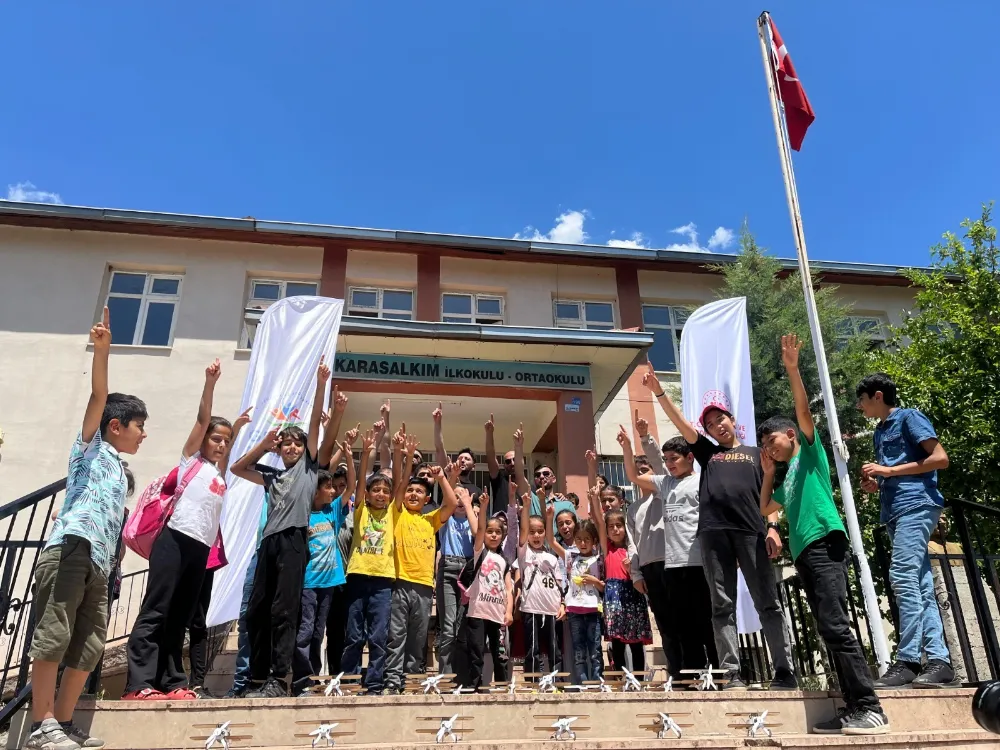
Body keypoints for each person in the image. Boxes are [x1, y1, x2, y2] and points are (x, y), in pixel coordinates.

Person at [27, 307, 147, 750]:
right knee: (54, 632)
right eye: (139, 427)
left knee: (89, 643)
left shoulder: (120, 470)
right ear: (115, 428)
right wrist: (102, 352)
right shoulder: (91, 449)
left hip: (100, 562)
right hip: (72, 548)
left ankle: (63, 721)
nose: (143, 435)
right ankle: (42, 725)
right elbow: (99, 397)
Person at [758, 334, 889, 734]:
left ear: (790, 436)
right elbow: (766, 508)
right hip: (805, 554)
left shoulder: (808, 453)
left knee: (834, 624)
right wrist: (766, 474)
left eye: (772, 440)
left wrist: (793, 369)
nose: (769, 447)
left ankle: (870, 708)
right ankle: (855, 707)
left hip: (824, 543)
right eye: (763, 444)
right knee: (827, 627)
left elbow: (802, 410)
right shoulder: (786, 476)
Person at [641, 363, 797, 690]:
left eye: (720, 419)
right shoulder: (706, 452)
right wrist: (658, 392)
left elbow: (767, 497)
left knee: (766, 601)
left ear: (731, 419)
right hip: (713, 537)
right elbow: (680, 422)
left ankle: (783, 670)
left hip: (750, 534)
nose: (717, 426)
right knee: (721, 606)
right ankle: (732, 673)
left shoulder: (758, 454)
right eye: (710, 424)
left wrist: (772, 528)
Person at [124, 360, 234, 701]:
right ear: (203, 441)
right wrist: (210, 384)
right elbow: (203, 420)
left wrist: (239, 429)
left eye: (226, 442)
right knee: (157, 608)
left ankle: (171, 682)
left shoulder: (219, 475)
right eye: (216, 439)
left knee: (181, 616)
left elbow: (229, 449)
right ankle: (138, 684)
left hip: (200, 549)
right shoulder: (191, 461)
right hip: (173, 539)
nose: (220, 445)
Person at [231, 360, 339, 698]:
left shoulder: (308, 470)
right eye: (285, 445)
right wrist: (264, 444)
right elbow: (237, 467)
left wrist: (321, 385)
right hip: (269, 544)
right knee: (257, 610)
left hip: (294, 540)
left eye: (296, 444)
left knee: (283, 610)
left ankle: (281, 679)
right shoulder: (271, 476)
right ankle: (258, 679)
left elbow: (315, 431)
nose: (291, 448)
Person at [856, 371, 955, 688]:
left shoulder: (910, 417)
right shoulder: (879, 431)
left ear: (878, 396)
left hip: (917, 505)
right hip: (895, 511)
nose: (860, 406)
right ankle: (939, 661)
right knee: (920, 584)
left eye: (862, 399)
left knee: (901, 575)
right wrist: (877, 482)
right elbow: (893, 471)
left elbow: (940, 458)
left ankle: (909, 659)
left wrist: (888, 470)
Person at [622, 429, 717, 680]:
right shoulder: (667, 484)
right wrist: (628, 446)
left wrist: (645, 438)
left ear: (690, 457)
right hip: (673, 567)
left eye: (674, 458)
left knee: (706, 622)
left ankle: (719, 675)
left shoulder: (701, 481)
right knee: (681, 625)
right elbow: (632, 474)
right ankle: (690, 676)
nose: (669, 464)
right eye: (666, 460)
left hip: (698, 562)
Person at [384, 437, 460, 694]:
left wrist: (441, 479)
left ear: (427, 498)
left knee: (417, 638)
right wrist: (406, 459)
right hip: (399, 584)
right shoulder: (397, 513)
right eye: (410, 491)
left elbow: (450, 503)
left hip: (424, 588)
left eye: (419, 492)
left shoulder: (430, 519)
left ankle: (412, 680)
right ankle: (393, 681)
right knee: (396, 636)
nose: (413, 494)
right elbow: (399, 485)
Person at [342, 428, 396, 695]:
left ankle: (374, 683)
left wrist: (404, 455)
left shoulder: (393, 514)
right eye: (376, 490)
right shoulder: (360, 510)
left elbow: (401, 482)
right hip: (357, 576)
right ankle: (350, 682)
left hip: (384, 583)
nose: (381, 494)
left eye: (386, 491)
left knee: (378, 637)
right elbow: (360, 484)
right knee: (353, 635)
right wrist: (366, 451)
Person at [292, 458, 353, 695]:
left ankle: (314, 679)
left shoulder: (332, 512)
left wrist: (350, 456)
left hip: (329, 583)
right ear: (316, 490)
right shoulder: (304, 515)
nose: (332, 491)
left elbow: (350, 488)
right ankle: (301, 681)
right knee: (305, 632)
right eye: (327, 487)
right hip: (308, 583)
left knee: (318, 633)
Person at [458, 489, 514, 689]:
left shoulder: (504, 561)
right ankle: (475, 688)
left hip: (498, 615)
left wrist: (508, 611)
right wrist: (482, 507)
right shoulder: (480, 552)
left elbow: (509, 589)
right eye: (490, 531)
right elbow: (479, 528)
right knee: (476, 651)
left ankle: (501, 687)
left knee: (500, 655)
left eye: (498, 532)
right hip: (478, 612)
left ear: (503, 536)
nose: (493, 535)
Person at [547, 495, 603, 685]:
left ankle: (596, 683)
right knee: (579, 651)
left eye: (587, 539)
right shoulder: (570, 556)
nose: (583, 543)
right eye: (579, 539)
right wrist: (549, 517)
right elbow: (550, 540)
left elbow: (604, 586)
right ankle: (582, 684)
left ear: (593, 541)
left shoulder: (598, 558)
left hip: (594, 610)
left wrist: (595, 581)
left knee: (595, 650)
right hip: (574, 611)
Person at [515, 491, 564, 677]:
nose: (536, 535)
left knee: (554, 650)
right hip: (531, 609)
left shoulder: (552, 557)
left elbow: (559, 584)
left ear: (546, 532)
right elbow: (523, 531)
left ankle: (557, 683)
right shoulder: (524, 553)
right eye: (532, 531)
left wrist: (562, 604)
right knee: (532, 650)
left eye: (540, 531)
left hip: (552, 611)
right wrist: (526, 507)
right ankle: (533, 684)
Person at [601, 501, 652, 673]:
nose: (615, 529)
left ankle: (638, 678)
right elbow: (597, 519)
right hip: (614, 600)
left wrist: (632, 569)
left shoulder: (634, 550)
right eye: (611, 526)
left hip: (633, 597)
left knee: (636, 642)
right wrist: (594, 497)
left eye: (619, 526)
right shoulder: (606, 548)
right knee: (617, 642)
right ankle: (621, 679)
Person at [433, 403, 482, 499]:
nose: (462, 460)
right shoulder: (446, 478)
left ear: (474, 466)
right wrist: (437, 423)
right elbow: (439, 448)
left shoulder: (477, 491)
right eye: (460, 458)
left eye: (467, 459)